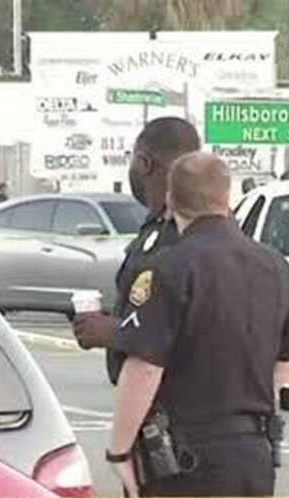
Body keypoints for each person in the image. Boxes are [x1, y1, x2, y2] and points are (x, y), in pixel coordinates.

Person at [104, 152, 289, 498]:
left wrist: (119, 452)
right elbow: (288, 362)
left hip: (182, 458)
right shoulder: (275, 265)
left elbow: (145, 367)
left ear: (170, 200)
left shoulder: (166, 270)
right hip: (253, 454)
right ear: (226, 198)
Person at [73, 117, 201, 386]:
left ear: (144, 163)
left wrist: (115, 333)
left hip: (173, 403)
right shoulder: (155, 226)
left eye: (131, 159)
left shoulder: (187, 231)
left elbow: (181, 328)